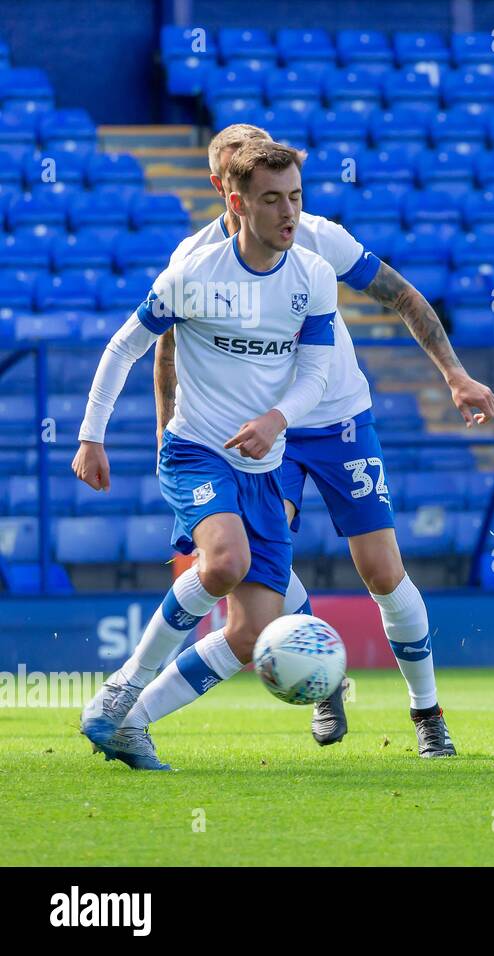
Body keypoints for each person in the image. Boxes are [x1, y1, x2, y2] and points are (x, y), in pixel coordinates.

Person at [149, 123, 494, 755]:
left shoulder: (317, 238)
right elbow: (166, 349)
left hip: (338, 420)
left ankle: (427, 712)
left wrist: (455, 375)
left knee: (382, 571)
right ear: (226, 186)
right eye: (248, 170)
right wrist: (167, 433)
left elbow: (403, 296)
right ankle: (318, 661)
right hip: (253, 434)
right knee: (251, 563)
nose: (279, 196)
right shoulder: (194, 260)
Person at [73, 143, 337, 770]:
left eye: (296, 197)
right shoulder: (194, 274)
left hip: (265, 468)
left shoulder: (314, 277)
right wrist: (91, 434)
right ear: (237, 202)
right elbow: (123, 347)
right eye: (272, 199)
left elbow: (317, 374)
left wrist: (278, 419)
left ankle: (129, 724)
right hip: (197, 451)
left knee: (249, 636)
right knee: (224, 561)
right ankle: (122, 688)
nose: (288, 212)